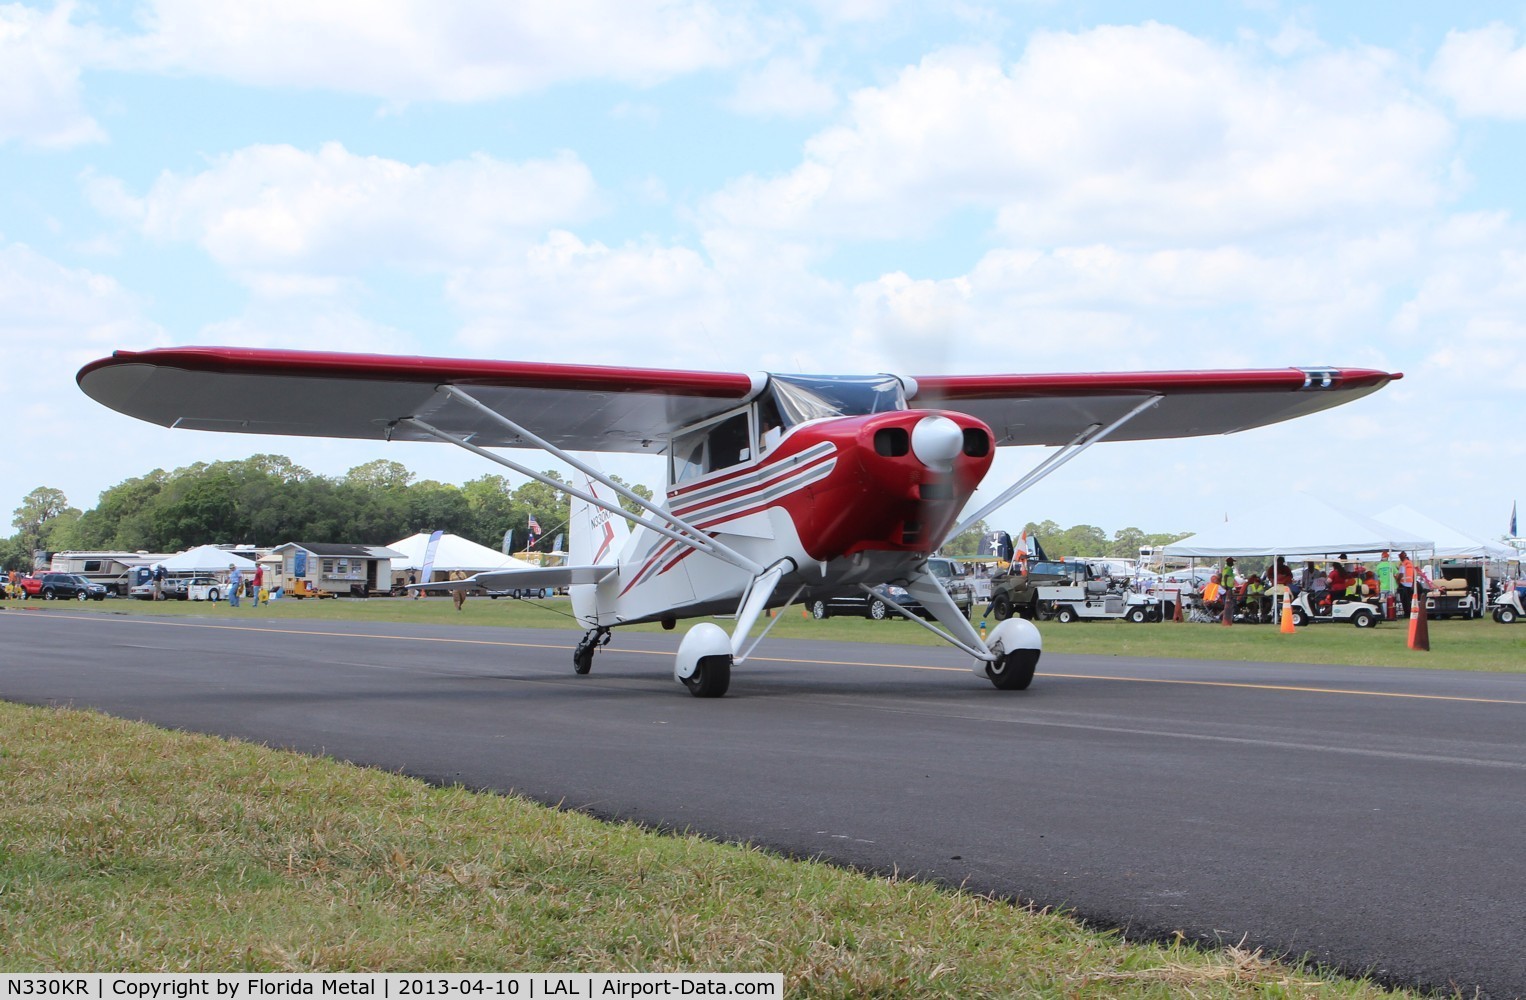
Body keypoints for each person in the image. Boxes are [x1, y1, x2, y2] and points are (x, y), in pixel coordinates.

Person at [1397, 551, 1414, 617]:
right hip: (1409, 583)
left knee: (1404, 600)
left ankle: (1407, 613)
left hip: (1403, 584)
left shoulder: (1403, 564)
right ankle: (1409, 612)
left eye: (1400, 556)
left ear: (1402, 556)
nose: (1399, 558)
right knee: (1408, 600)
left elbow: (1401, 574)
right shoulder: (1410, 563)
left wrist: (1398, 580)